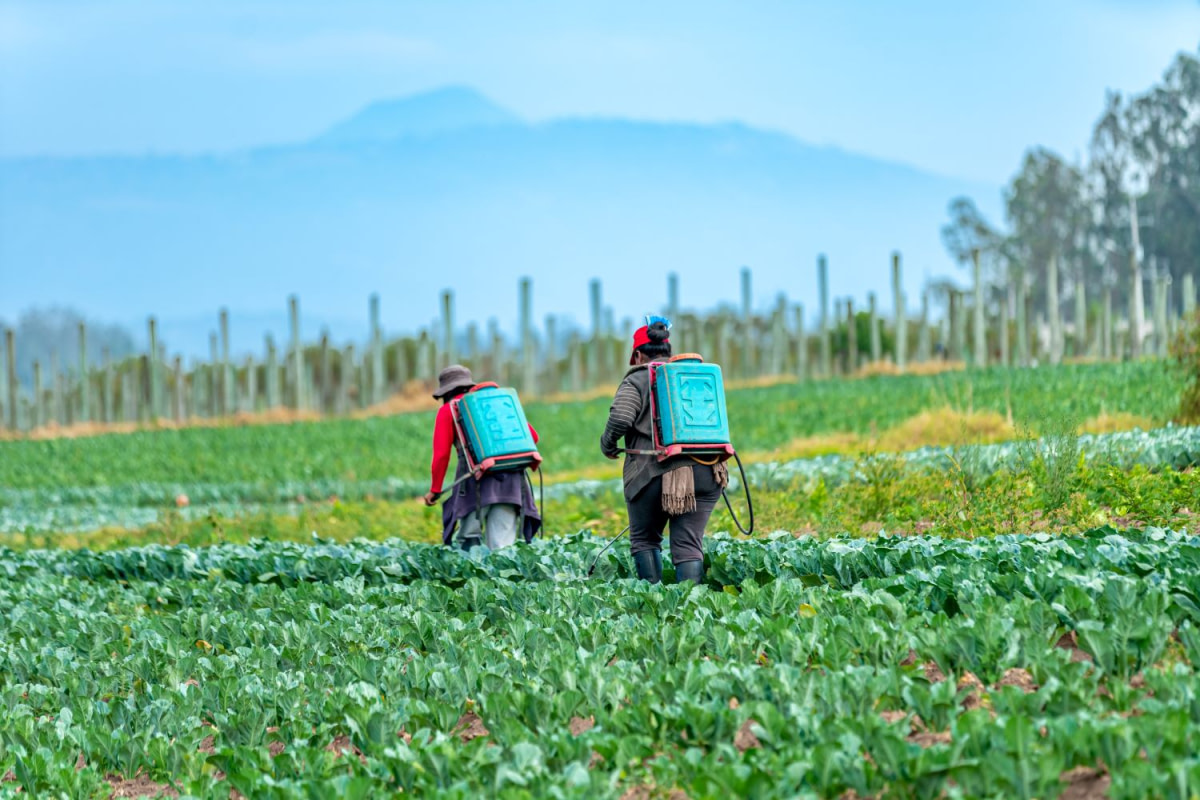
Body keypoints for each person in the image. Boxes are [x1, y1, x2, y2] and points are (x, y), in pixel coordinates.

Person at [599, 317, 725, 585]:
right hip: (708, 471)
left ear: (636, 355)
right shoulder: (690, 377)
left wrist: (608, 444)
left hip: (654, 474)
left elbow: (621, 417)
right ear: (668, 350)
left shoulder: (638, 379)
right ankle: (691, 608)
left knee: (644, 539)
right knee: (688, 543)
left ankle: (655, 606)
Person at [423, 364, 542, 550]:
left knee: (469, 544)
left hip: (475, 486)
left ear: (446, 392)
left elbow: (441, 455)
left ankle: (473, 579)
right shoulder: (495, 403)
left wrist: (435, 489)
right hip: (511, 484)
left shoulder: (448, 410)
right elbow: (533, 437)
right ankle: (501, 579)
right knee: (502, 547)